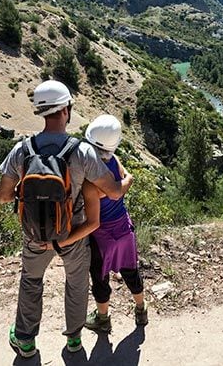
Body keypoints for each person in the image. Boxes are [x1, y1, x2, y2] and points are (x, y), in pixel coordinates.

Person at [0, 80, 134, 358]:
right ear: (66, 110)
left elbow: (3, 196)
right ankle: (73, 340)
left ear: (41, 112)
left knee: (31, 281)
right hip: (73, 232)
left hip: (35, 234)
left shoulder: (22, 149)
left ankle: (25, 340)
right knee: (77, 283)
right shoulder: (81, 151)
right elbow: (114, 192)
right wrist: (127, 180)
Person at [81, 114, 148, 333]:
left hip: (100, 234)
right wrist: (126, 179)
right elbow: (123, 182)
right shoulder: (113, 159)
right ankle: (141, 309)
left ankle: (102, 318)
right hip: (123, 227)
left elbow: (109, 193)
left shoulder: (89, 172)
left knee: (100, 278)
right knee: (131, 271)